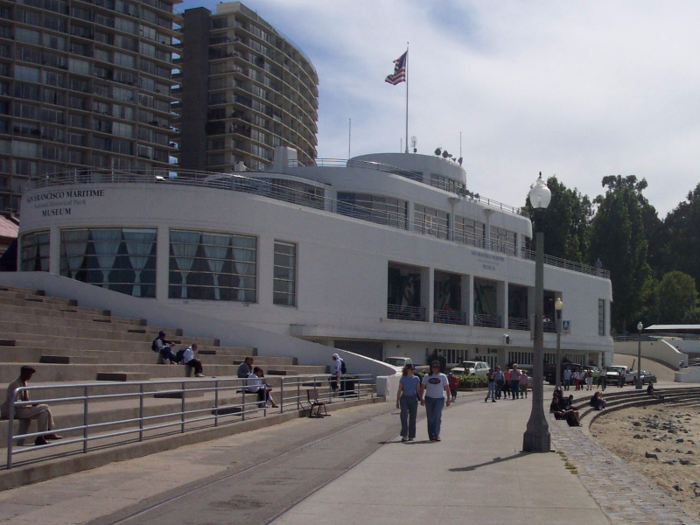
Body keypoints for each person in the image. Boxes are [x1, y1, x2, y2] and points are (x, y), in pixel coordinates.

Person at [1, 366, 63, 446]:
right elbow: (15, 403)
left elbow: (26, 399)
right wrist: (31, 404)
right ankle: (48, 431)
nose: (30, 376)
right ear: (23, 373)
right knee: (45, 407)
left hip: (23, 408)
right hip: (16, 411)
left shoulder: (25, 383)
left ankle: (41, 437)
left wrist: (32, 403)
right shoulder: (15, 384)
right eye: (29, 374)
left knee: (44, 412)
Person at [420, 361, 450, 441]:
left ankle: (436, 434)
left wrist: (448, 399)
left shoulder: (443, 376)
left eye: (436, 367)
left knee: (437, 416)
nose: (435, 369)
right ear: (431, 368)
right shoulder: (427, 376)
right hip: (429, 398)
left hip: (439, 399)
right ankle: (431, 435)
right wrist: (421, 398)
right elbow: (422, 387)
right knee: (430, 418)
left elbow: (447, 388)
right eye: (433, 367)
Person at [396, 364, 422, 442]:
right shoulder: (403, 378)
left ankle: (411, 435)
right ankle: (404, 434)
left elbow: (418, 390)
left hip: (413, 398)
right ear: (407, 370)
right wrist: (397, 400)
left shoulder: (416, 378)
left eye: (413, 369)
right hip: (404, 398)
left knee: (412, 417)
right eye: (411, 369)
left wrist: (421, 398)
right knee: (404, 416)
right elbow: (400, 389)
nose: (412, 371)